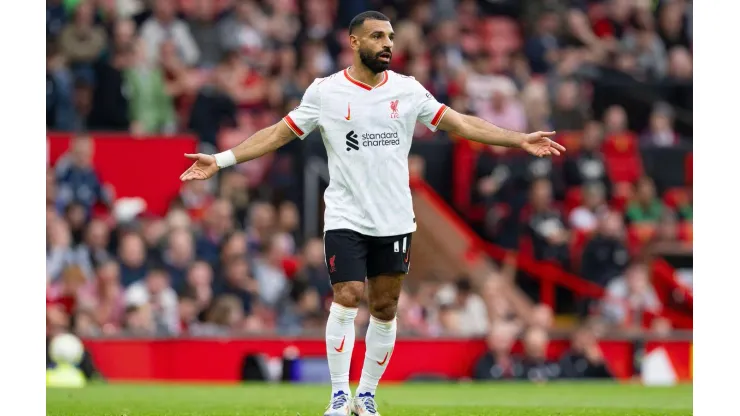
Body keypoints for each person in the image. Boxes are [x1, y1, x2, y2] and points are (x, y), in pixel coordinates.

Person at [178, 11, 565, 416]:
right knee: (346, 297)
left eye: (391, 37)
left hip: (394, 219)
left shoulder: (408, 90)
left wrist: (518, 139)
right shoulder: (325, 92)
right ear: (354, 42)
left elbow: (460, 123)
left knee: (384, 308)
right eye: (377, 36)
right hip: (345, 216)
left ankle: (366, 395)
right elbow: (277, 133)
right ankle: (339, 397)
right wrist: (220, 160)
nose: (387, 44)